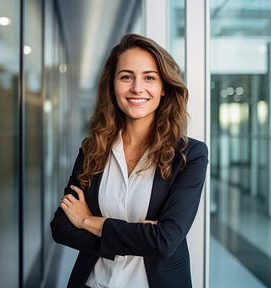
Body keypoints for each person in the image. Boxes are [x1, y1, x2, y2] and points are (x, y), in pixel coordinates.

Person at [50, 33, 208, 288]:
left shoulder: (190, 155)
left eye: (149, 77)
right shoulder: (93, 148)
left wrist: (88, 222)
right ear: (112, 85)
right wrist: (138, 235)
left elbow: (165, 240)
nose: (137, 88)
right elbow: (60, 227)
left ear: (164, 87)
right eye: (126, 76)